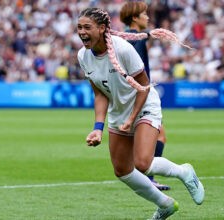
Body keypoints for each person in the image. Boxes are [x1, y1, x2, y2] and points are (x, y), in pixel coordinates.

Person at [77, 7, 204, 219]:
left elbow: (144, 86)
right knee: (122, 170)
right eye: (79, 27)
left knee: (143, 163)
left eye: (87, 27)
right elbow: (99, 93)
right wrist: (97, 128)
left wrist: (132, 118)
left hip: (143, 104)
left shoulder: (123, 49)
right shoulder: (83, 56)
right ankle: (165, 204)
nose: (81, 32)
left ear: (101, 28)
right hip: (119, 111)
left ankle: (184, 171)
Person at [120, 1, 170, 191]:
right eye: (144, 14)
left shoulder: (125, 37)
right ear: (135, 17)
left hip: (128, 94)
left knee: (137, 138)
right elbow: (138, 71)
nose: (148, 17)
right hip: (141, 93)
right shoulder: (137, 39)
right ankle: (148, 177)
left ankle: (145, 176)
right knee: (160, 136)